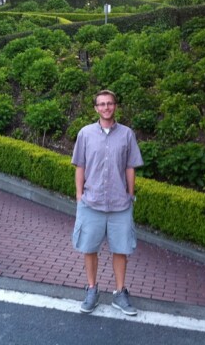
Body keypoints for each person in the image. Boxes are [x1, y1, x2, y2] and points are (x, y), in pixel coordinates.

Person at [71, 89, 143, 315]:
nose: (106, 107)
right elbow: (80, 165)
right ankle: (92, 289)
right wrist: (79, 196)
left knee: (121, 250)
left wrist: (130, 194)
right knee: (89, 248)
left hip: (120, 204)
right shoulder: (85, 134)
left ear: (115, 106)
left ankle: (120, 293)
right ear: (95, 108)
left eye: (109, 103)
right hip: (91, 203)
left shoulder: (127, 134)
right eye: (101, 104)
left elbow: (130, 166)